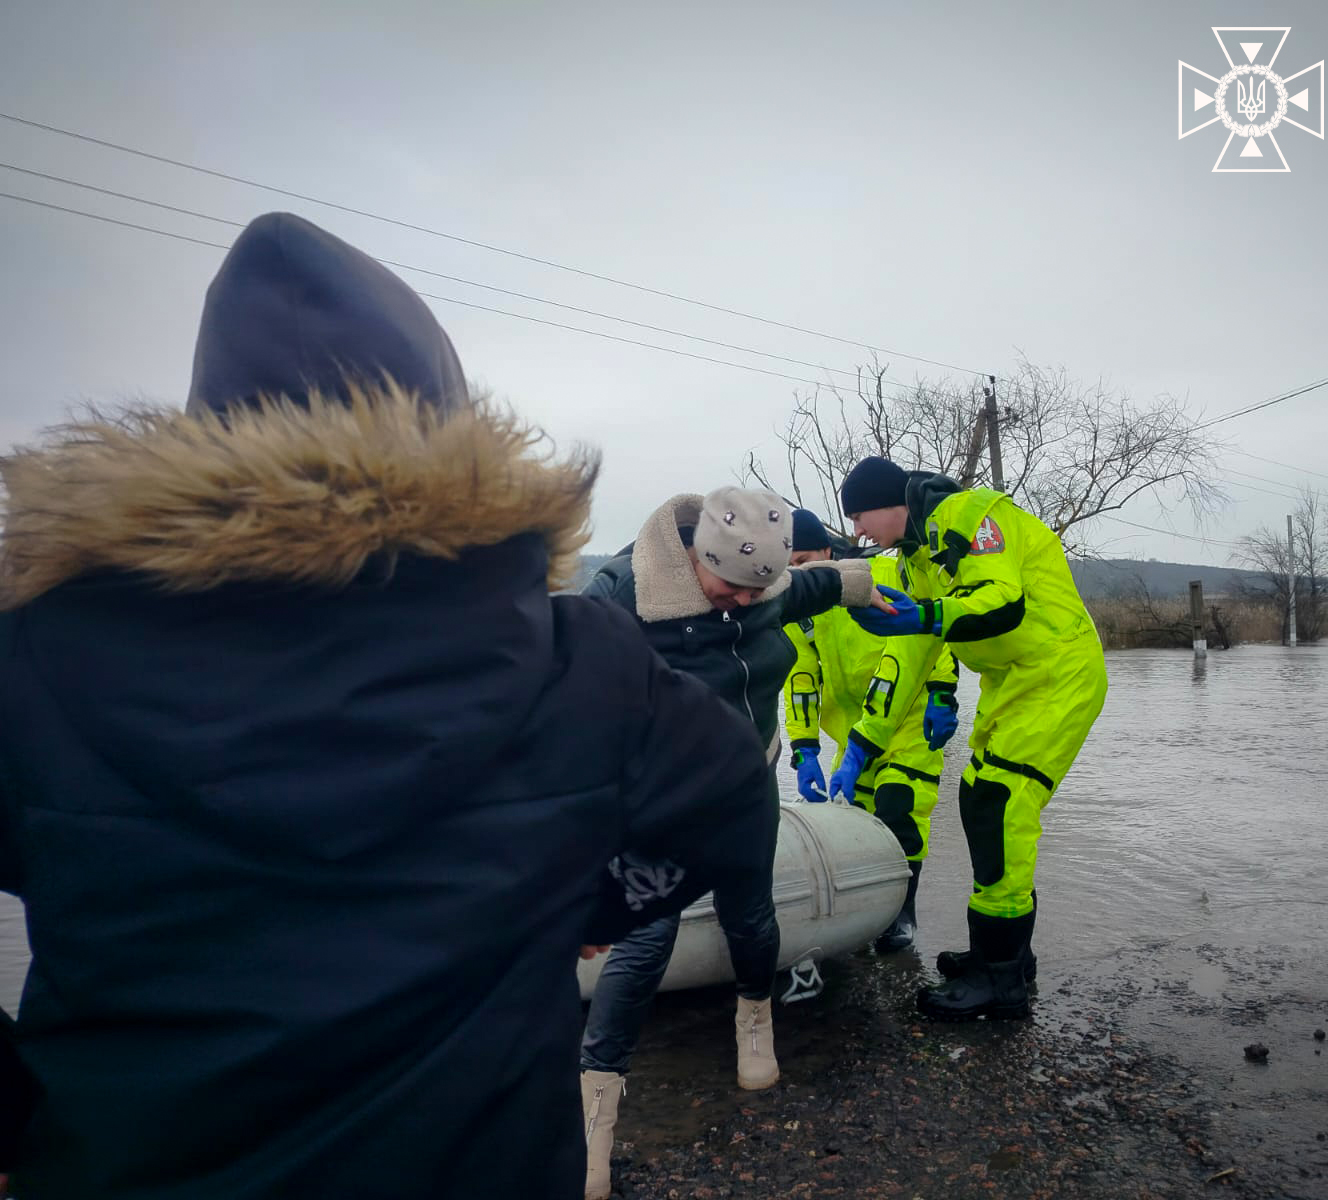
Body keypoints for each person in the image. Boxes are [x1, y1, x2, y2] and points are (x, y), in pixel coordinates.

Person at [0, 212, 776, 1199]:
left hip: (128, 1163)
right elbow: (731, 795)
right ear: (447, 426)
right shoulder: (574, 658)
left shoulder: (32, 656)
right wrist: (584, 898)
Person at [578, 488, 883, 1200]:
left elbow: (811, 585)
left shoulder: (762, 585)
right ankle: (594, 1117)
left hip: (748, 781)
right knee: (643, 941)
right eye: (730, 590)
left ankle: (754, 1017)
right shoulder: (620, 595)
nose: (745, 605)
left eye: (758, 592)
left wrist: (864, 591)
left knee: (750, 913)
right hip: (662, 797)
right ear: (696, 559)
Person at [836, 456, 1108, 1021]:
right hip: (1012, 683)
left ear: (893, 501)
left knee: (999, 807)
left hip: (1058, 672)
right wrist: (865, 740)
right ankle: (1004, 955)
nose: (858, 530)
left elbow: (1002, 603)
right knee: (977, 797)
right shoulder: (914, 562)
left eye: (860, 514)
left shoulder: (969, 514)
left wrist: (930, 615)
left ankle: (1001, 982)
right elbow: (911, 656)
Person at [782, 507, 959, 951]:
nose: (796, 573)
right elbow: (801, 676)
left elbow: (922, 638)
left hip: (907, 718)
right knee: (855, 822)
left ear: (826, 549)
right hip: (853, 729)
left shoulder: (879, 573)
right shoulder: (795, 601)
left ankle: (902, 913)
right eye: (788, 566)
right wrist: (804, 748)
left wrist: (942, 691)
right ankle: (863, 912)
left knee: (899, 807)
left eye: (803, 561)